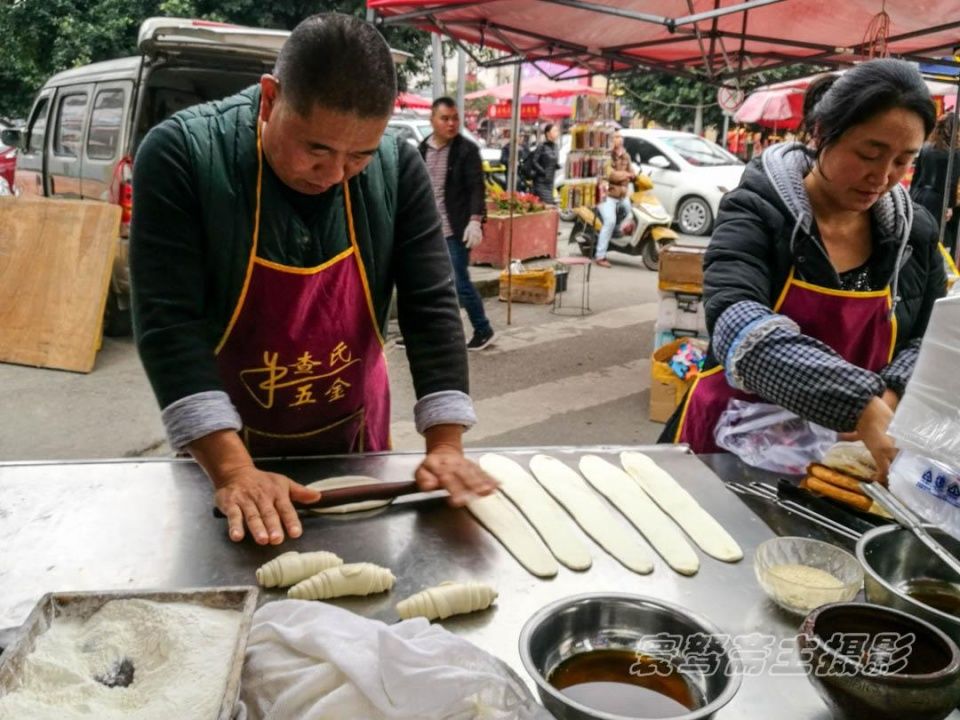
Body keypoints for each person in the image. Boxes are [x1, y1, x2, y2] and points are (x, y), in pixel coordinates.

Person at [130, 14, 496, 546]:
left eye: (358, 156)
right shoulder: (182, 155)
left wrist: (445, 445)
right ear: (270, 99)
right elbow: (169, 324)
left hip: (352, 438)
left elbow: (430, 305)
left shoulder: (397, 168)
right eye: (317, 150)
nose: (332, 174)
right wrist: (234, 472)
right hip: (224, 445)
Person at [664, 59, 946, 479]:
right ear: (820, 134)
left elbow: (931, 336)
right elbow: (737, 325)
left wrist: (890, 393)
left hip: (849, 454)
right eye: (869, 154)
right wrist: (858, 401)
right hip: (732, 443)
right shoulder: (756, 211)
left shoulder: (914, 234)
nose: (883, 177)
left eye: (903, 161)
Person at [419, 97, 495, 351]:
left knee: (459, 281)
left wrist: (475, 221)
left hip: (455, 229)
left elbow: (476, 188)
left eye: (455, 118)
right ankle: (424, 332)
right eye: (445, 118)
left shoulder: (466, 150)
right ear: (432, 120)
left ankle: (483, 329)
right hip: (427, 230)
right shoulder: (422, 150)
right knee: (425, 283)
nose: (451, 124)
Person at [910, 113, 960, 255]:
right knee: (938, 241)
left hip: (919, 195)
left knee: (919, 234)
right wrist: (949, 205)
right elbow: (951, 180)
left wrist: (911, 195)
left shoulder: (926, 147)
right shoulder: (955, 153)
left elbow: (916, 176)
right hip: (939, 200)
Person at [595, 130, 635, 268]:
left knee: (633, 213)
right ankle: (600, 256)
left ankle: (618, 235)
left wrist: (632, 175)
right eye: (616, 137)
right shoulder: (605, 155)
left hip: (622, 195)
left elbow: (633, 172)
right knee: (610, 221)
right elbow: (611, 176)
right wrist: (627, 175)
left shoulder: (626, 156)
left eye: (620, 136)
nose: (619, 139)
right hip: (605, 195)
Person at [529, 123, 560, 205]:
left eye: (557, 131)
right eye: (555, 131)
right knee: (547, 204)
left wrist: (556, 165)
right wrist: (543, 172)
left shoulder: (556, 146)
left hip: (550, 182)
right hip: (540, 182)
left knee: (548, 205)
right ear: (548, 133)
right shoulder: (541, 146)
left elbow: (552, 160)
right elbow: (534, 162)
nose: (557, 133)